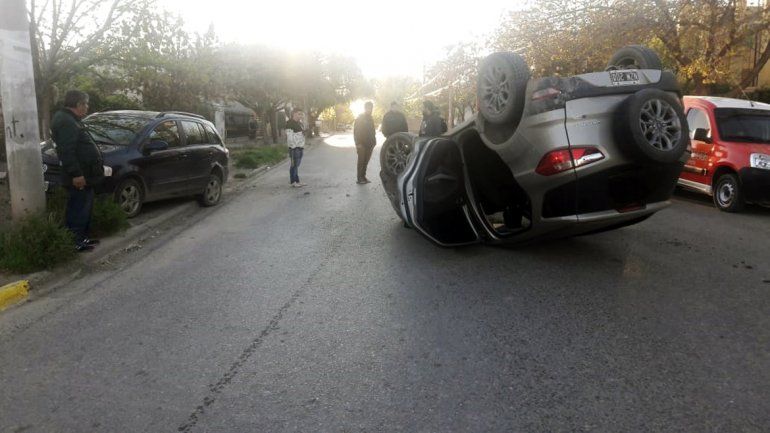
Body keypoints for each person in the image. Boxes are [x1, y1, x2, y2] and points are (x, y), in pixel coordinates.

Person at [51, 90, 104, 252]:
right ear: (78, 104)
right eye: (85, 104)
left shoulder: (71, 119)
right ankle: (75, 241)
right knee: (78, 208)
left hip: (85, 174)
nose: (87, 107)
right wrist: (76, 174)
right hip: (79, 175)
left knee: (83, 207)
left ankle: (82, 238)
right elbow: (66, 151)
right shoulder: (66, 121)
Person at [353, 101, 376, 184]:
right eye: (369, 108)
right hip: (361, 144)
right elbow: (356, 131)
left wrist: (374, 142)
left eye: (371, 108)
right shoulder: (359, 118)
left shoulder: (371, 118)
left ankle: (363, 177)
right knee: (361, 162)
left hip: (370, 144)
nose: (370, 110)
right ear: (365, 108)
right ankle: (359, 178)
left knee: (366, 162)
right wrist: (358, 143)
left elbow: (373, 131)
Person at [285, 107, 307, 188]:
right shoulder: (290, 123)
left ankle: (297, 181)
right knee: (294, 165)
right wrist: (293, 147)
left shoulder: (299, 123)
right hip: (294, 148)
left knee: (296, 165)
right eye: (299, 114)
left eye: (301, 114)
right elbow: (289, 137)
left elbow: (300, 134)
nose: (301, 116)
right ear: (294, 114)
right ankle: (293, 182)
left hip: (300, 147)